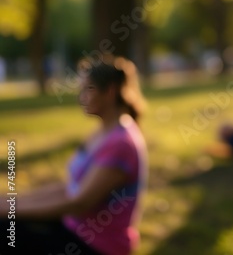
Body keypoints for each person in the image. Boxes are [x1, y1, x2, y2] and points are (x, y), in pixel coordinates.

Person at [0, 55, 148, 255]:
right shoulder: (104, 133)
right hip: (73, 228)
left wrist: (10, 210)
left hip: (96, 246)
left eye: (88, 89)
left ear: (110, 91)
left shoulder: (121, 143)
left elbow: (79, 203)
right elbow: (69, 189)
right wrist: (10, 201)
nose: (81, 97)